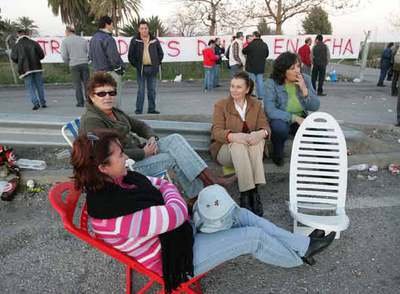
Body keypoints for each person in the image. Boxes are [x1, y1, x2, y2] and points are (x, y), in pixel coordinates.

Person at [71, 129, 337, 292]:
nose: (126, 158)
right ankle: (297, 257)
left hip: (177, 236)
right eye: (119, 155)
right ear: (103, 168)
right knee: (252, 238)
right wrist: (172, 198)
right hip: (172, 259)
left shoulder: (120, 181)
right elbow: (174, 210)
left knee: (240, 215)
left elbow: (163, 184)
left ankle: (303, 245)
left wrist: (170, 196)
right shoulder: (112, 214)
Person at [79, 72, 236, 198]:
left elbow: (140, 125)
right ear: (92, 97)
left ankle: (209, 182)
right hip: (124, 167)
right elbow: (105, 157)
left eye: (111, 92)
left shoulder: (114, 112)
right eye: (101, 94)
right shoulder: (93, 121)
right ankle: (200, 193)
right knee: (172, 157)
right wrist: (144, 152)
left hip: (137, 152)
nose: (107, 97)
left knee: (175, 139)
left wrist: (151, 137)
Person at [211, 72, 270, 216]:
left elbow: (265, 126)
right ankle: (246, 193)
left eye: (238, 87)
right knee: (239, 145)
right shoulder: (221, 105)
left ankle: (253, 194)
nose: (234, 90)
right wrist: (233, 136)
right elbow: (216, 131)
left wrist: (260, 134)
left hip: (250, 148)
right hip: (226, 151)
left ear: (247, 89)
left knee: (257, 142)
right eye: (232, 86)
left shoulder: (256, 105)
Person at [264, 52, 320, 166]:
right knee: (279, 128)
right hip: (281, 119)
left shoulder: (306, 80)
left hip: (301, 118)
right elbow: (270, 110)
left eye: (298, 66)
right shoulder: (271, 83)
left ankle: (327, 166)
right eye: (292, 68)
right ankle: (277, 153)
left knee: (319, 133)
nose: (297, 71)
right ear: (283, 70)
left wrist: (305, 91)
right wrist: (294, 118)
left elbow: (315, 106)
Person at [128, 19, 164, 114]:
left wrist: (157, 63)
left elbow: (160, 53)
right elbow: (130, 56)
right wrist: (137, 65)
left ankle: (151, 109)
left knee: (152, 90)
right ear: (139, 30)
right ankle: (139, 110)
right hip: (141, 69)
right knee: (141, 90)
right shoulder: (135, 40)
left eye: (146, 28)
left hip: (152, 69)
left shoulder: (154, 40)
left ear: (148, 29)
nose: (144, 30)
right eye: (142, 28)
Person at [89, 16, 125, 108]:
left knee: (102, 98)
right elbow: (113, 57)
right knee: (113, 98)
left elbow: (90, 56)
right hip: (110, 72)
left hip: (97, 72)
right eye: (112, 24)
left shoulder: (93, 38)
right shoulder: (108, 39)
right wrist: (119, 69)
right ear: (107, 24)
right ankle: (115, 118)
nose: (113, 26)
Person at [11, 29, 47, 110]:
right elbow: (42, 55)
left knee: (30, 87)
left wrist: (20, 61)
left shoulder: (16, 45)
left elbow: (14, 57)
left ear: (18, 34)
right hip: (37, 67)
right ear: (26, 34)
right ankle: (43, 103)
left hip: (25, 69)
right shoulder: (34, 43)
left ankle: (35, 103)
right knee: (39, 85)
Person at [61, 26, 89, 107]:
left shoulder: (65, 41)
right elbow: (89, 51)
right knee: (87, 84)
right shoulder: (83, 40)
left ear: (68, 32)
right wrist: (87, 60)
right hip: (84, 63)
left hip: (73, 64)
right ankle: (89, 101)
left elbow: (64, 55)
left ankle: (80, 102)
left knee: (77, 85)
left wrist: (68, 62)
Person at [242, 31, 269, 101]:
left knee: (251, 81)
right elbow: (267, 54)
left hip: (251, 66)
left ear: (254, 36)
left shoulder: (251, 44)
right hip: (261, 66)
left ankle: (251, 94)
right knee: (260, 81)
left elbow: (244, 51)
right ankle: (261, 96)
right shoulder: (264, 44)